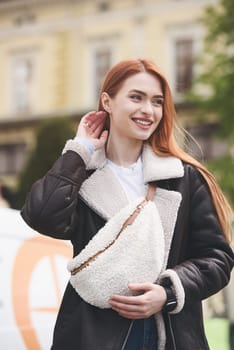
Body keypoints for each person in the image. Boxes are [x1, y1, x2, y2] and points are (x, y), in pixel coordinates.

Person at [21, 58, 234, 350]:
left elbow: (217, 259)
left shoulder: (183, 177)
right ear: (107, 101)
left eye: (157, 101)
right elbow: (42, 216)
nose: (148, 110)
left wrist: (168, 292)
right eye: (136, 97)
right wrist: (79, 151)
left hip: (170, 335)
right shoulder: (81, 174)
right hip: (91, 335)